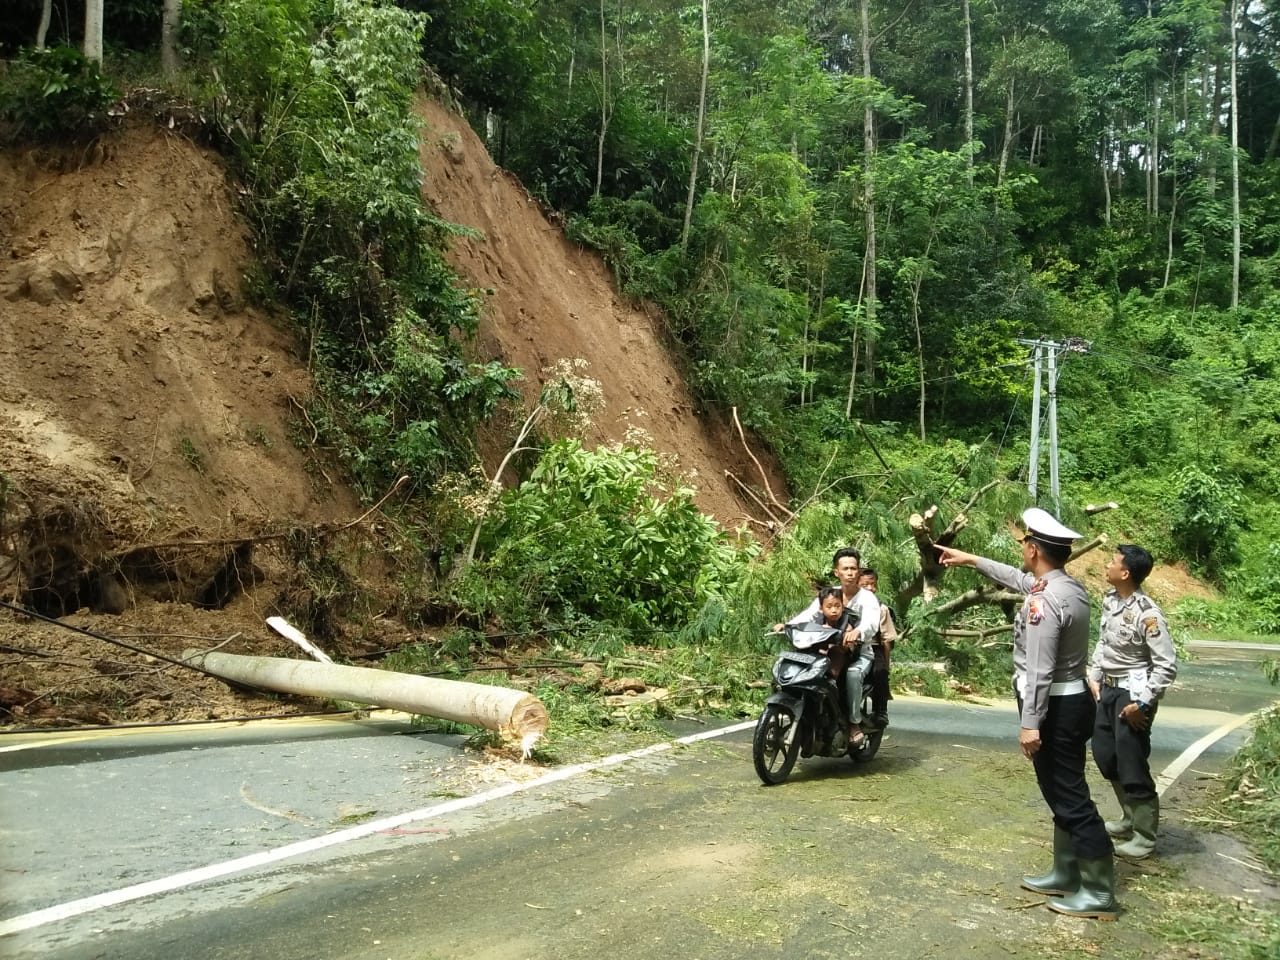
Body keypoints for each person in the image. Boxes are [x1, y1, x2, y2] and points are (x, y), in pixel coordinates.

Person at [935, 508, 1116, 920]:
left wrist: (1030, 724)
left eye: (1024, 545)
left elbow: (1038, 669)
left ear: (1034, 550)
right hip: (1070, 702)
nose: (1022, 551)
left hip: (1055, 707)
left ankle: (1100, 892)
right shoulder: (1067, 587)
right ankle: (1067, 871)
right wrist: (971, 560)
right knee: (1059, 791)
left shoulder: (1043, 603)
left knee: (1070, 797)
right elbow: (1016, 578)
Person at [1088, 544, 1178, 860]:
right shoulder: (1111, 601)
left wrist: (1143, 703)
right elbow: (1104, 642)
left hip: (1133, 694)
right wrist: (1094, 673)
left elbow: (1166, 664)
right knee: (1104, 753)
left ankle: (1144, 835)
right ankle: (1129, 816)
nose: (1107, 564)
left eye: (1112, 562)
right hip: (1109, 690)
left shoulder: (1147, 613)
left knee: (1132, 761)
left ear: (1125, 573)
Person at [777, 548, 882, 745]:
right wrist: (788, 625)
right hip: (828, 649)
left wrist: (858, 632)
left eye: (853, 568)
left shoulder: (867, 598)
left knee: (852, 674)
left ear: (858, 572)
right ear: (837, 572)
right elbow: (809, 615)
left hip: (860, 653)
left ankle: (853, 723)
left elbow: (871, 623)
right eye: (845, 569)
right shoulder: (831, 594)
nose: (850, 573)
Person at [858, 568, 897, 728]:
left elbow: (887, 640)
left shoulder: (882, 609)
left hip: (874, 647)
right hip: (850, 646)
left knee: (879, 672)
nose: (869, 588)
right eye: (865, 584)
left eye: (872, 584)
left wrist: (886, 664)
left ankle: (881, 710)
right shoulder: (848, 603)